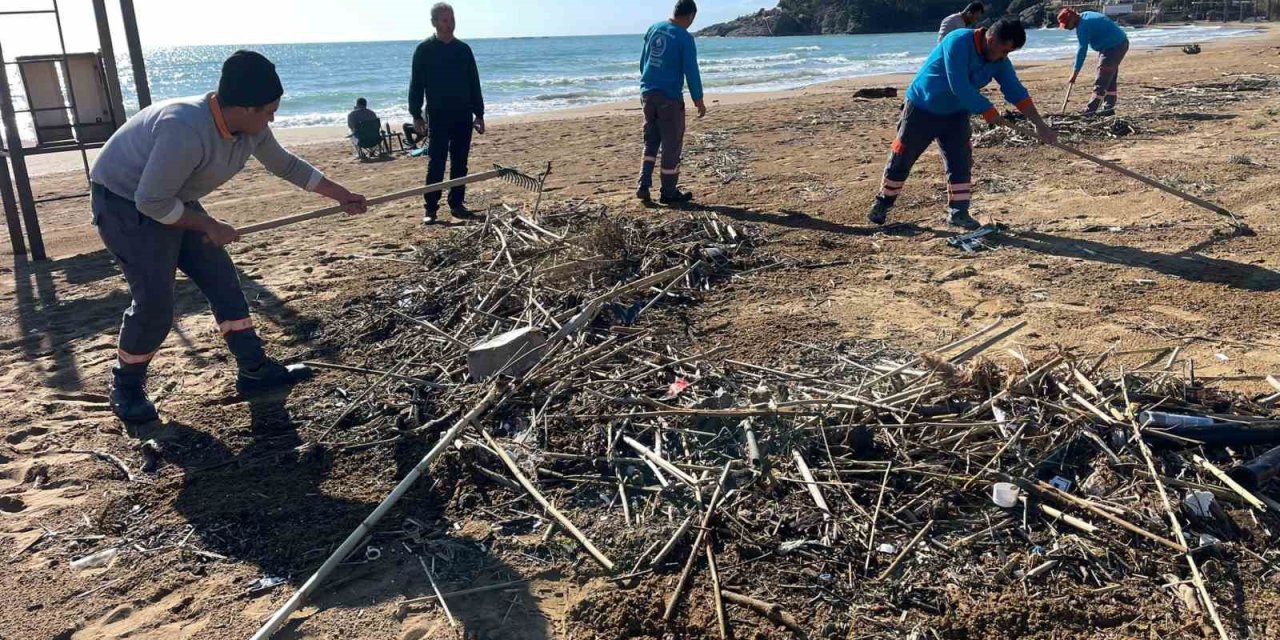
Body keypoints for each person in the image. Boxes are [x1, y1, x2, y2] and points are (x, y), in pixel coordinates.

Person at [88, 50, 369, 424]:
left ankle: (253, 369)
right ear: (246, 108)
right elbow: (150, 202)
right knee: (155, 304)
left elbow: (285, 165)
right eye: (269, 110)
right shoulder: (185, 128)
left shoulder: (251, 130)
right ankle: (125, 387)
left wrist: (340, 194)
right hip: (125, 203)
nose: (274, 117)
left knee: (221, 279)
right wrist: (208, 225)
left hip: (172, 197)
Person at [869, 18, 1057, 230]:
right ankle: (882, 203)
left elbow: (1016, 91)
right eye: (1004, 50)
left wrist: (1039, 125)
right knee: (903, 154)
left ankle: (959, 212)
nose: (1004, 57)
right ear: (991, 39)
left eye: (1008, 53)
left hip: (956, 112)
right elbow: (958, 83)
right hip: (922, 106)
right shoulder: (958, 41)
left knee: (960, 160)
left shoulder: (1000, 62)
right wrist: (986, 109)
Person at [408, 2, 485, 224]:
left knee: (460, 161)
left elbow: (474, 83)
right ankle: (431, 208)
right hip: (437, 114)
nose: (449, 24)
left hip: (463, 114)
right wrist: (416, 115)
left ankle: (457, 204)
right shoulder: (424, 50)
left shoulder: (463, 50)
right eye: (445, 20)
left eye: (452, 19)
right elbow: (416, 85)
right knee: (436, 162)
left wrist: (479, 114)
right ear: (434, 23)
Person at [636, 0, 706, 206]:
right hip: (669, 97)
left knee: (650, 141)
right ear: (691, 16)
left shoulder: (653, 28)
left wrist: (648, 83)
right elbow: (691, 70)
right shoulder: (684, 38)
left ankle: (643, 184)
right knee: (671, 144)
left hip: (648, 93)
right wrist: (698, 100)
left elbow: (644, 61)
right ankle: (668, 191)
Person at [1059, 8, 1130, 117]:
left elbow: (1082, 51)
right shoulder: (1086, 15)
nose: (1068, 28)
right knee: (1109, 78)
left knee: (1101, 80)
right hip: (1120, 43)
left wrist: (1074, 74)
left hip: (1112, 47)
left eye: (1067, 24)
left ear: (1072, 18)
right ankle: (1108, 108)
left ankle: (1090, 111)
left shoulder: (1083, 26)